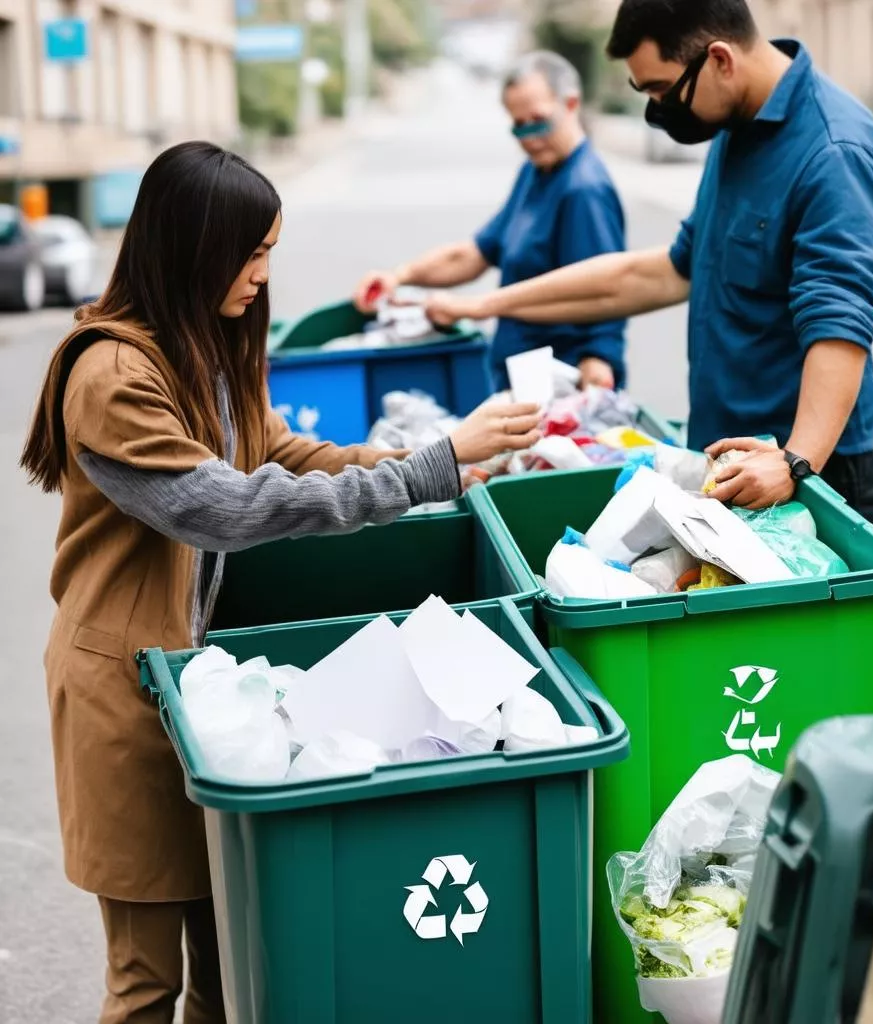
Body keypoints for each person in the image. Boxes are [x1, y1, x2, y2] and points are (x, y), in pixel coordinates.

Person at [19, 141, 540, 1024]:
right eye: (251, 253)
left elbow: (279, 453)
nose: (263, 275)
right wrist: (423, 474)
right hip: (121, 695)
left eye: (268, 252)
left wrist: (422, 467)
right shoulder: (112, 374)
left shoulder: (203, 345)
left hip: (197, 684)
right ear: (193, 245)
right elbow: (225, 507)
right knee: (145, 980)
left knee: (228, 970)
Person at [421, 0, 873, 526]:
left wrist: (795, 461)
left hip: (805, 474)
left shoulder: (833, 150)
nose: (658, 109)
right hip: (729, 459)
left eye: (663, 90)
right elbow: (664, 272)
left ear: (719, 59)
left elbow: (839, 323)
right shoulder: (738, 127)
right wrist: (489, 303)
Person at [354, 50, 629, 392]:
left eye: (539, 121)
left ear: (570, 105)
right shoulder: (536, 172)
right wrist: (399, 276)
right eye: (518, 126)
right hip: (524, 379)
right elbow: (475, 253)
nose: (529, 136)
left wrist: (599, 358)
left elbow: (607, 290)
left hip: (564, 382)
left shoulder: (584, 189)